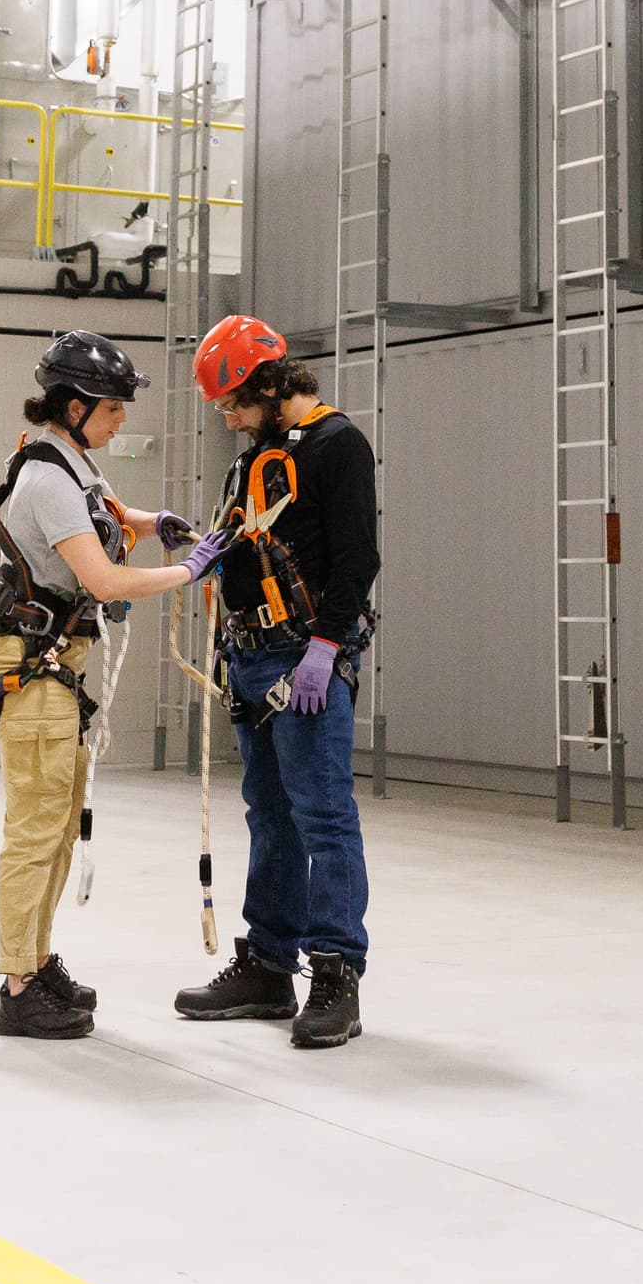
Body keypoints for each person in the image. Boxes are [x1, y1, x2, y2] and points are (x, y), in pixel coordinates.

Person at [0, 330, 222, 1041]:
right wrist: (189, 570)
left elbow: (108, 512)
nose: (121, 422)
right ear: (76, 406)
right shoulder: (47, 476)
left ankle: (37, 961)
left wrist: (153, 522)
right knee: (35, 830)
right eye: (113, 409)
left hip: (53, 663)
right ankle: (19, 985)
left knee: (55, 826)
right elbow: (104, 580)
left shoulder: (70, 461)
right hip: (31, 662)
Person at [171, 314, 379, 1051]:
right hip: (251, 656)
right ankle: (267, 963)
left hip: (304, 660)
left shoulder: (337, 444)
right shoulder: (253, 456)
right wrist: (194, 552)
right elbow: (246, 542)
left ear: (266, 382)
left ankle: (335, 972)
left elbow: (358, 557)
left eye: (233, 402)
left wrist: (325, 646)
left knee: (323, 813)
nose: (226, 417)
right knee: (269, 812)